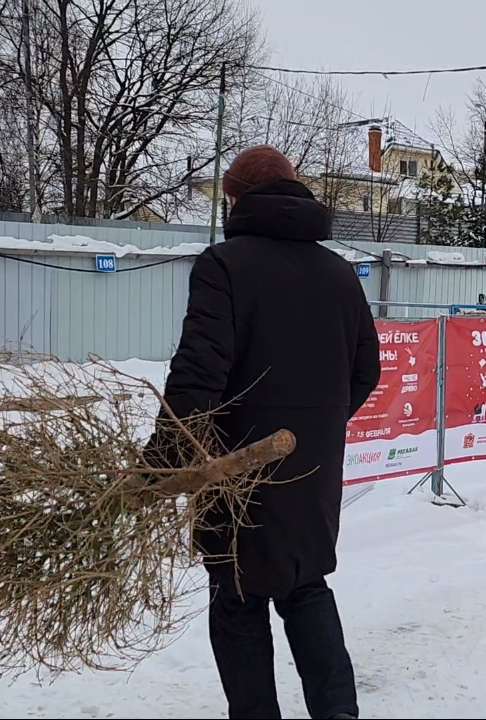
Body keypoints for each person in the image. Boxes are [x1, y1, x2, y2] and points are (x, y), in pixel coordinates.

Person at [148, 145, 381, 719]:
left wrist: (161, 463)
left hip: (235, 476)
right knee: (306, 590)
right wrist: (317, 426)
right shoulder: (339, 273)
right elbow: (365, 370)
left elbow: (197, 375)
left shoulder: (224, 265)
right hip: (311, 474)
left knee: (237, 600)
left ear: (235, 199)